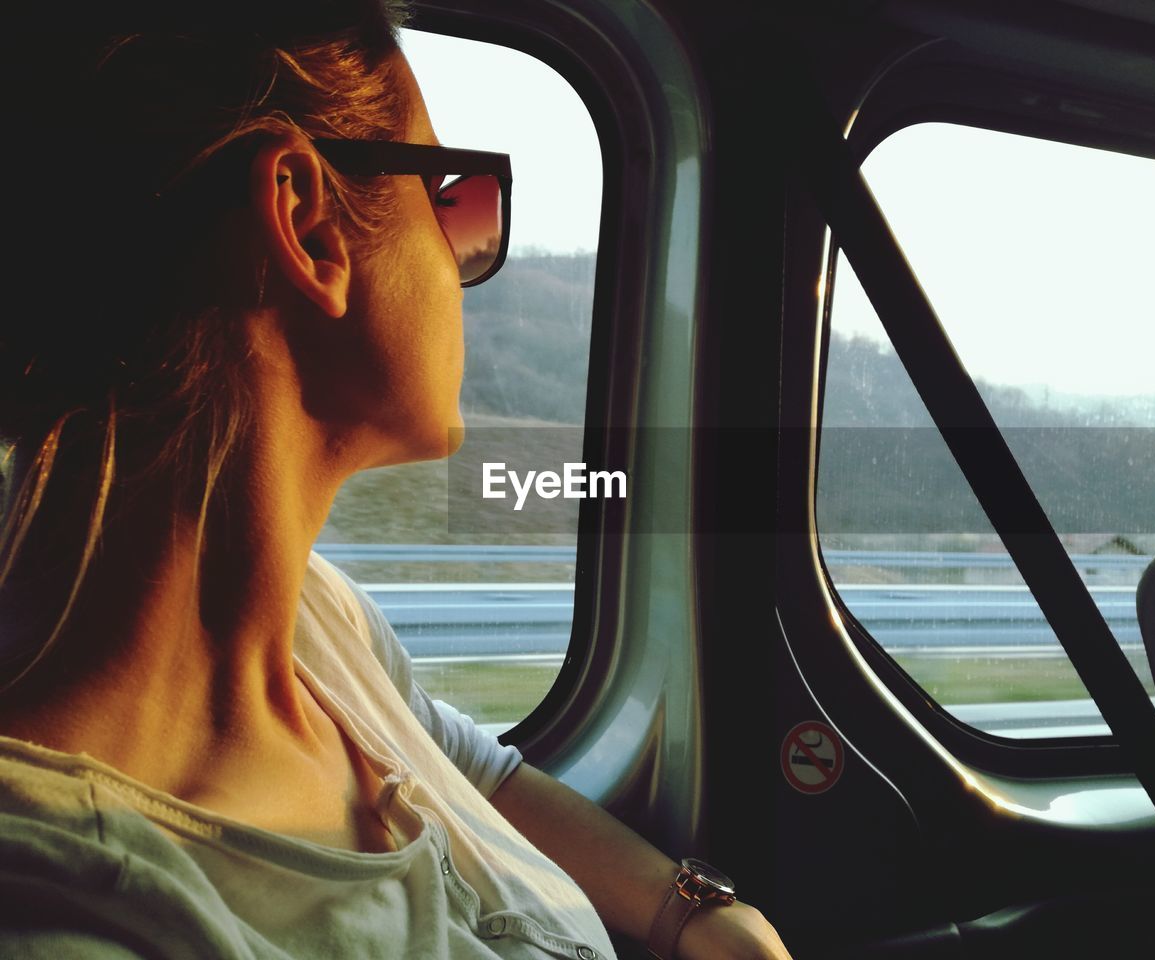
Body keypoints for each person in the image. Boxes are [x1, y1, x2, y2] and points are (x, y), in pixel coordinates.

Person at [0, 1, 794, 958]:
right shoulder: (74, 916)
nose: (470, 258)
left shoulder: (312, 625)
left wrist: (696, 913)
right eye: (452, 199)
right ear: (308, 225)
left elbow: (474, 775)